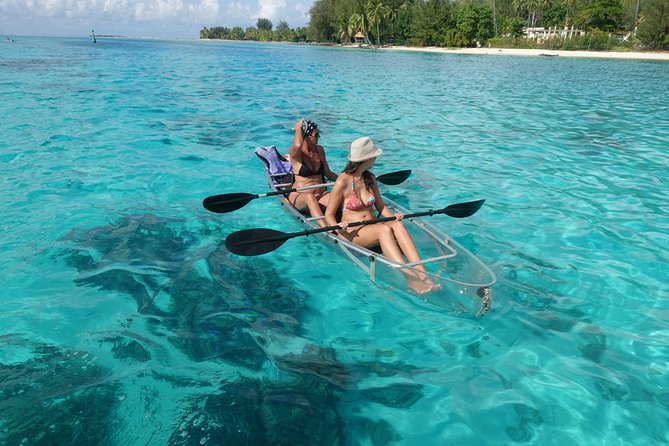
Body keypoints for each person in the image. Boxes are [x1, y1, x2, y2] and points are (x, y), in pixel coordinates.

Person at [324, 136, 441, 295]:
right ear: (366, 159)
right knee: (384, 230)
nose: (376, 158)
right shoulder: (342, 181)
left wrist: (393, 217)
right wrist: (338, 227)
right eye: (374, 155)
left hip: (372, 226)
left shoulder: (370, 178)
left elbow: (380, 206)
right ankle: (410, 279)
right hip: (352, 233)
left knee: (397, 225)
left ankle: (423, 275)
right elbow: (329, 214)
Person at [287, 118, 338, 227]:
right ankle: (326, 229)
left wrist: (347, 182)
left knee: (339, 199)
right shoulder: (295, 153)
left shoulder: (319, 150)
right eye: (316, 134)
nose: (319, 136)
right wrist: (298, 128)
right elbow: (297, 145)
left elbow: (328, 173)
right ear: (305, 136)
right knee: (310, 197)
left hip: (321, 194)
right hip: (300, 196)